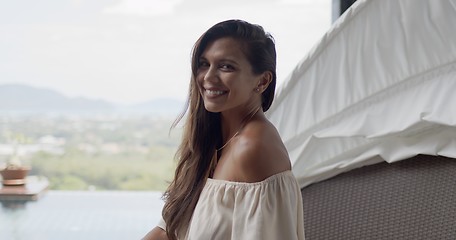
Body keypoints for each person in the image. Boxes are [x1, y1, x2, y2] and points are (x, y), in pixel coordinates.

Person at [143, 19, 305, 240]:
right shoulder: (212, 141)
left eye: (226, 66)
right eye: (203, 64)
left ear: (263, 81)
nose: (208, 77)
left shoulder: (254, 147)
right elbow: (166, 232)